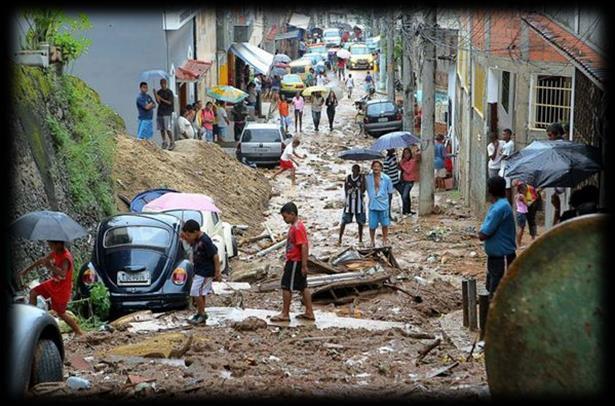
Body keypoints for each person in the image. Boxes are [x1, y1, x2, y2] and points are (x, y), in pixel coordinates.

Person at [20, 241, 83, 336]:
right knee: (33, 293)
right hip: (54, 283)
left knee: (61, 313)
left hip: (62, 288)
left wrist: (50, 266)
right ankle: (31, 319)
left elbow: (63, 273)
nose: (49, 246)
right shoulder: (56, 252)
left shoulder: (66, 257)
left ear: (59, 244)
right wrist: (26, 270)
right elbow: (42, 260)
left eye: (51, 244)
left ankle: (78, 331)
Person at [270, 202, 315, 322]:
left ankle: (285, 313)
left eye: (285, 217)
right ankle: (309, 312)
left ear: (292, 214)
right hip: (296, 261)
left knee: (286, 286)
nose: (284, 219)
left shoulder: (297, 228)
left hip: (295, 261)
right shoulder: (296, 226)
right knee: (302, 286)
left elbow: (304, 246)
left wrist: (304, 265)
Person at [478, 176, 517, 298]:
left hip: (502, 257)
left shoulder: (499, 208)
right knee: (492, 288)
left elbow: (483, 234)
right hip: (497, 257)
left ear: (490, 190)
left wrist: (481, 231)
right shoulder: (499, 206)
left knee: (497, 293)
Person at [180, 220, 221, 325]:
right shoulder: (196, 239)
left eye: (189, 235)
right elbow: (189, 243)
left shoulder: (205, 241)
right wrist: (184, 237)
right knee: (201, 292)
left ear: (195, 231)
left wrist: (217, 272)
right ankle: (200, 313)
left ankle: (202, 314)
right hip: (199, 270)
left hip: (206, 271)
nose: (188, 237)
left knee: (195, 292)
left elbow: (215, 256)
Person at [365, 161, 393, 247]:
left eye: (378, 166)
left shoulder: (387, 178)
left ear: (381, 168)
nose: (376, 168)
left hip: (383, 205)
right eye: (374, 166)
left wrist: (388, 203)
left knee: (385, 224)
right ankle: (372, 241)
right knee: (372, 225)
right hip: (373, 205)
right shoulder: (367, 178)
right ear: (372, 168)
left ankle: (385, 239)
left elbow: (390, 192)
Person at [338, 164, 366, 246]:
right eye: (353, 170)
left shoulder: (361, 178)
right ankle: (340, 239)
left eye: (357, 170)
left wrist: (363, 179)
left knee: (360, 222)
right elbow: (346, 190)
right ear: (351, 170)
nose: (355, 171)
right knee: (344, 221)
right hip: (349, 203)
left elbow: (363, 190)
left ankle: (360, 240)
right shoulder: (348, 178)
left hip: (359, 203)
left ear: (359, 171)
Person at [399, 146, 421, 216]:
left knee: (404, 196)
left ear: (410, 154)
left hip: (410, 181)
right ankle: (407, 211)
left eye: (407, 153)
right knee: (407, 196)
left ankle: (406, 211)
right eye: (405, 153)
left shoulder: (413, 161)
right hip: (403, 181)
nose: (406, 155)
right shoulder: (403, 161)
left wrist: (402, 165)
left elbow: (408, 171)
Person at [155, 78, 175, 150]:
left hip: (167, 112)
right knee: (161, 128)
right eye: (161, 83)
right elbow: (158, 102)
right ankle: (164, 141)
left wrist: (161, 98)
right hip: (160, 111)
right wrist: (155, 95)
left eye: (164, 83)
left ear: (166, 84)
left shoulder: (169, 92)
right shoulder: (159, 92)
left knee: (167, 128)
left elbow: (170, 103)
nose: (163, 85)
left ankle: (172, 142)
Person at [498, 129, 515, 205]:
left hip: (507, 168)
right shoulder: (506, 143)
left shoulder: (509, 144)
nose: (503, 136)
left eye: (505, 134)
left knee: (507, 187)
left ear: (509, 135)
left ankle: (508, 204)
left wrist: (500, 156)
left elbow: (504, 156)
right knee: (504, 186)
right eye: (503, 134)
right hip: (503, 167)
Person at [383, 149, 401, 220]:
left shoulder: (394, 157)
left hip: (396, 181)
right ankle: (387, 215)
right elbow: (385, 173)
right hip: (389, 183)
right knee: (388, 199)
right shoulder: (386, 160)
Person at [515, 183, 529, 247]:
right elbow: (527, 204)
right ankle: (519, 244)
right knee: (521, 229)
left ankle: (518, 242)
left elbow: (516, 205)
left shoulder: (516, 196)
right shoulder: (522, 196)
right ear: (522, 190)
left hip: (518, 212)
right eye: (525, 190)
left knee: (520, 228)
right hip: (522, 213)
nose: (526, 191)